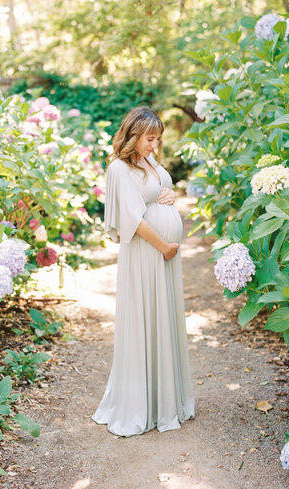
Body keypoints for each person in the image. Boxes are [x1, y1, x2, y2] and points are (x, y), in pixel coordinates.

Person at [91, 106, 195, 436]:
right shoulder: (120, 169)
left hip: (162, 258)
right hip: (146, 255)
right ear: (134, 136)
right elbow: (132, 221)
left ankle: (165, 401)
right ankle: (142, 404)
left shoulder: (147, 162)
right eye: (150, 139)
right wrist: (164, 246)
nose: (155, 145)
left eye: (158, 139)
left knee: (162, 320)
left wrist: (170, 195)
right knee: (145, 320)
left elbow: (158, 195)